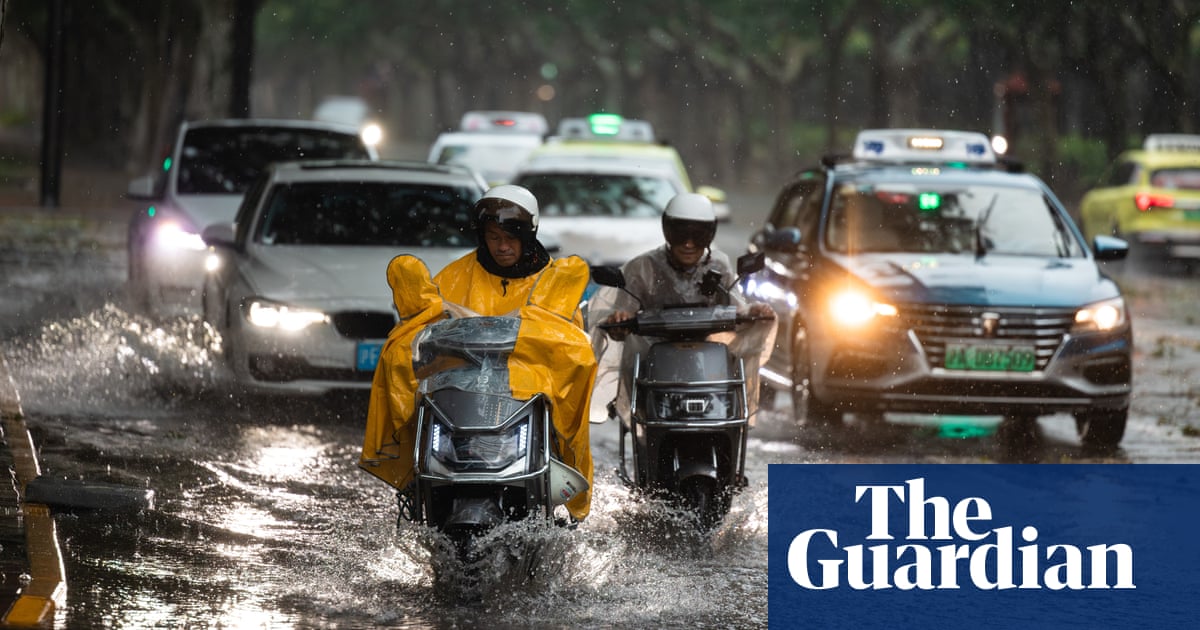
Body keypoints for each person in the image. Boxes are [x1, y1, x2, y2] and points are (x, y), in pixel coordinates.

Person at [361, 185, 597, 522]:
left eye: (511, 237)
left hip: (526, 402)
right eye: (493, 236)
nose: (502, 246)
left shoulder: (553, 282)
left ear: (530, 234)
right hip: (461, 404)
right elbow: (421, 330)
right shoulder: (453, 277)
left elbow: (569, 345)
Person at [591, 191, 777, 424]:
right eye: (680, 234)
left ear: (710, 234)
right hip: (653, 364)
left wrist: (754, 313)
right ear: (667, 231)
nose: (688, 244)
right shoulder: (642, 267)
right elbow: (621, 313)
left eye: (698, 236)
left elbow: (735, 305)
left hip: (708, 365)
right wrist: (619, 321)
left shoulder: (718, 265)